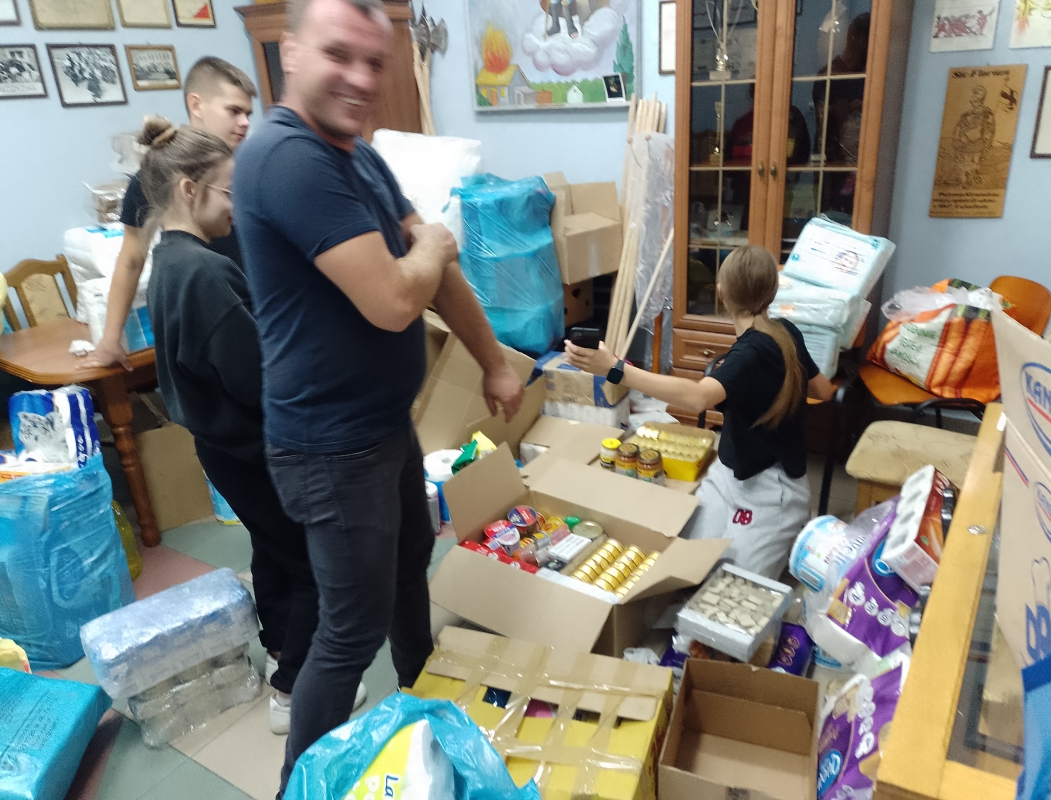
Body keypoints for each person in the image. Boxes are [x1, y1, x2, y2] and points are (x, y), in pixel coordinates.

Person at [231, 0, 525, 791]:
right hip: (330, 448)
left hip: (381, 427)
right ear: (290, 52)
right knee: (349, 631)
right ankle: (298, 783)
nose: (361, 78)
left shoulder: (358, 155)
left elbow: (436, 274)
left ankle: (424, 710)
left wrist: (493, 362)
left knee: (405, 575)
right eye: (339, 55)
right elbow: (396, 298)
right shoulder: (286, 157)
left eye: (375, 61)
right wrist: (428, 245)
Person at [131, 114, 362, 737]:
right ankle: (294, 691)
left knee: (273, 548)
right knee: (314, 560)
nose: (237, 207)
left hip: (223, 447)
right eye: (230, 192)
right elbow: (258, 379)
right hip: (257, 447)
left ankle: (282, 647)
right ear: (189, 190)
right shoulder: (204, 273)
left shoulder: (169, 261)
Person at [566, 246, 834, 579]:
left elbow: (696, 399)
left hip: (770, 488)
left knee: (736, 589)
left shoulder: (751, 353)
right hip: (729, 472)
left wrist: (615, 369)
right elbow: (823, 390)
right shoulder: (784, 331)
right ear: (772, 292)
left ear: (720, 293)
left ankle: (782, 535)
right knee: (690, 564)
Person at [80, 56, 256, 372]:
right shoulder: (155, 177)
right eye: (234, 111)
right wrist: (110, 338)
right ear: (196, 105)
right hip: (209, 321)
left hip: (260, 318)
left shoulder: (256, 165)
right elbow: (131, 259)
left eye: (248, 114)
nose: (245, 122)